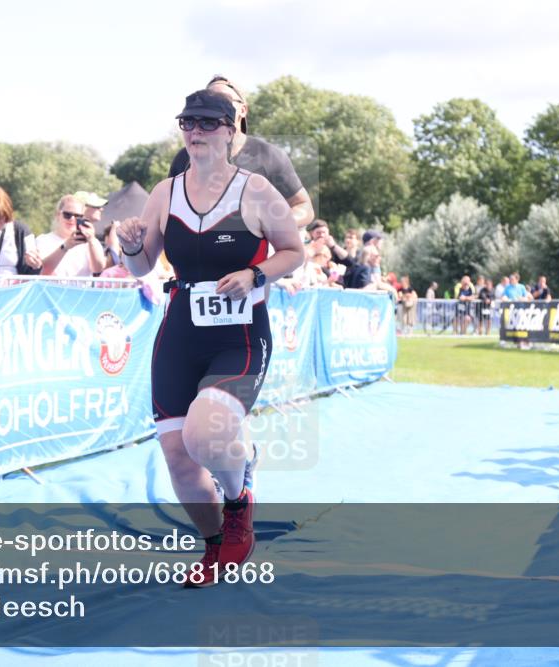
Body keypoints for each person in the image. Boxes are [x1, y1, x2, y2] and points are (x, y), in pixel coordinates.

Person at [117, 89, 302, 587]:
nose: (195, 131)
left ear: (229, 130)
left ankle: (238, 499)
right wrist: (131, 247)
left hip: (239, 336)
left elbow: (294, 252)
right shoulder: (165, 193)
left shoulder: (257, 190)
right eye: (187, 122)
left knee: (204, 436)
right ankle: (215, 544)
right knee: (178, 458)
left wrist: (255, 274)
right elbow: (141, 266)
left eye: (206, 123)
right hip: (180, 332)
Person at [168, 75, 315, 228]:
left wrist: (269, 226)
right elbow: (168, 209)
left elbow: (303, 206)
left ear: (243, 109)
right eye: (210, 100)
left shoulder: (269, 155)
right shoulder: (184, 157)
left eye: (224, 99)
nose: (215, 105)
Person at [32, 195, 106, 277]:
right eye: (67, 215)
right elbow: (42, 271)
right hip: (50, 285)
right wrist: (65, 247)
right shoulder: (42, 240)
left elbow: (98, 270)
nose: (72, 219)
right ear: (58, 215)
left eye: (77, 216)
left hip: (81, 286)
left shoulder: (91, 242)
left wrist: (91, 241)